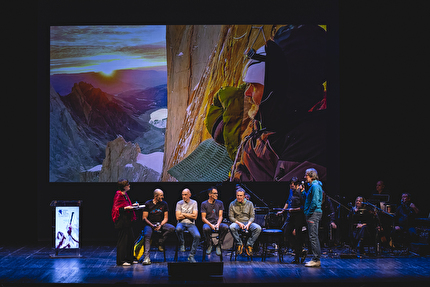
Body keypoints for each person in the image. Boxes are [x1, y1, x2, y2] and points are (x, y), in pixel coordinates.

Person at [230, 25, 328, 182]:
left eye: (254, 86)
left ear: (281, 90)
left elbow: (280, 202)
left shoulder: (312, 143)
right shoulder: (278, 121)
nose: (247, 93)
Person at [141, 189, 175, 265]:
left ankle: (159, 242)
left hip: (160, 223)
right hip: (150, 224)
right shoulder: (148, 203)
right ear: (155, 196)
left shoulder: (164, 204)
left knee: (172, 228)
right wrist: (152, 225)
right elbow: (144, 218)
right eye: (161, 195)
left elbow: (166, 218)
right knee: (147, 235)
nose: (163, 197)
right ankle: (146, 258)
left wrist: (160, 225)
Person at [279, 177, 307, 264]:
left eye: (293, 184)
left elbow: (304, 207)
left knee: (298, 235)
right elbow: (288, 201)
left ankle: (297, 257)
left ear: (297, 185)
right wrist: (283, 210)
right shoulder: (291, 191)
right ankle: (299, 250)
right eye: (290, 184)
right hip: (290, 216)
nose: (291, 186)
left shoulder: (302, 193)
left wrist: (294, 210)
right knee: (286, 232)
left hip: (298, 217)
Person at [111, 179, 138, 266]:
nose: (129, 185)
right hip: (122, 221)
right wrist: (127, 208)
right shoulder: (119, 195)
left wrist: (132, 206)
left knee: (130, 240)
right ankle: (121, 261)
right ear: (124, 186)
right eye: (127, 184)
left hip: (127, 221)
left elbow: (125, 205)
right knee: (123, 241)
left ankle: (130, 258)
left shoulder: (125, 194)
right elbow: (116, 209)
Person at [228, 185, 261, 256]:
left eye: (241, 195)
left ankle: (249, 244)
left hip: (247, 222)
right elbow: (231, 217)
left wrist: (248, 224)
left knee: (258, 228)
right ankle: (239, 244)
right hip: (237, 222)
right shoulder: (232, 204)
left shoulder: (250, 204)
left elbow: (252, 216)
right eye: (238, 195)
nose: (239, 197)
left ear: (244, 196)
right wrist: (239, 223)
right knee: (231, 227)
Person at [303, 168, 323, 267]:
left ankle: (316, 259)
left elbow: (314, 202)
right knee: (313, 236)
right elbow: (309, 198)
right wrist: (303, 192)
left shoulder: (315, 186)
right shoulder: (314, 186)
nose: (304, 177)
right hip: (313, 213)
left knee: (313, 236)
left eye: (306, 175)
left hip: (313, 214)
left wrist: (308, 212)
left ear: (311, 176)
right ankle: (315, 258)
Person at [201, 186, 229, 256]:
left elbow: (220, 216)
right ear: (210, 194)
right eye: (215, 193)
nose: (217, 195)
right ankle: (209, 244)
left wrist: (218, 224)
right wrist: (211, 225)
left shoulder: (220, 203)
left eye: (217, 193)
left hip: (217, 223)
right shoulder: (204, 204)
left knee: (225, 227)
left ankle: (218, 244)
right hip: (208, 223)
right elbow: (203, 218)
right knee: (205, 228)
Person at [175, 188, 201, 262]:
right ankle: (182, 243)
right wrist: (190, 215)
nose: (184, 196)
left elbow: (195, 217)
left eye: (185, 195)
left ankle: (191, 255)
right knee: (178, 229)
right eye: (182, 195)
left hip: (191, 224)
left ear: (190, 195)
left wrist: (183, 214)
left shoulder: (194, 203)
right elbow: (177, 217)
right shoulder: (179, 203)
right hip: (181, 223)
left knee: (197, 236)